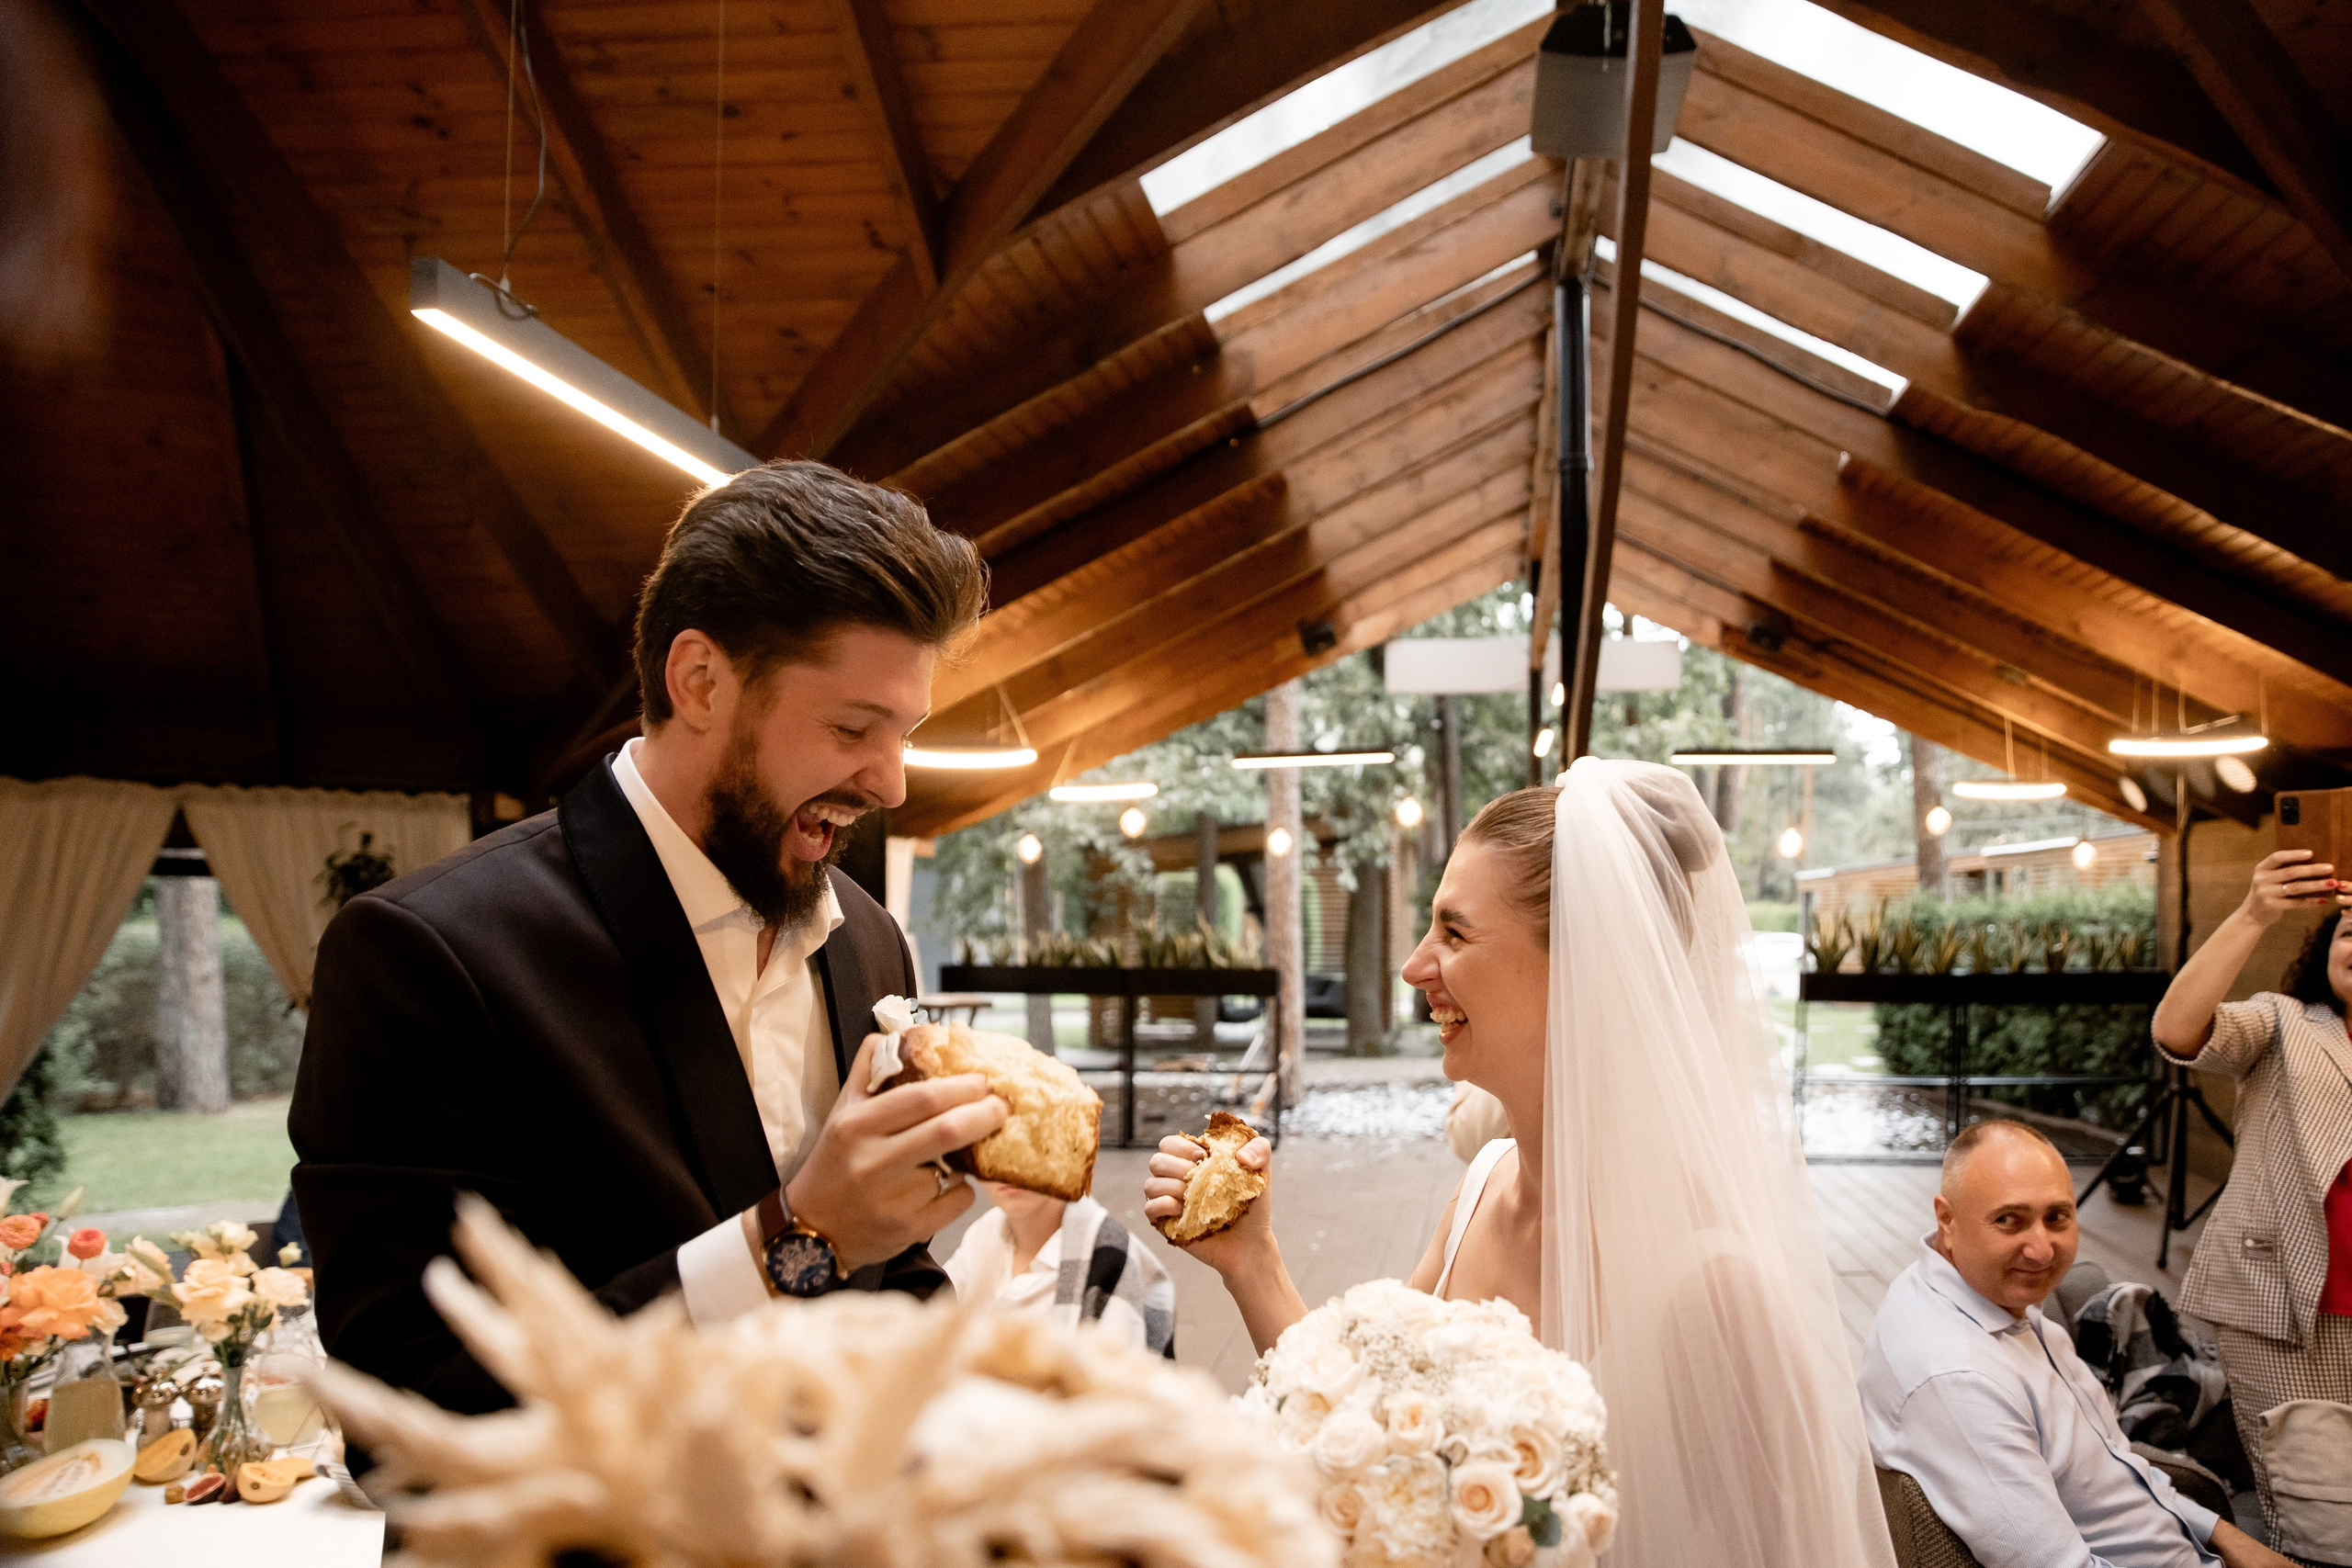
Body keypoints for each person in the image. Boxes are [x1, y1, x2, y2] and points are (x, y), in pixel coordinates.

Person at [290, 461, 1008, 1414]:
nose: (891, 784)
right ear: (701, 681)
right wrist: (793, 1239)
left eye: (905, 734)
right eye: (851, 728)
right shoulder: (428, 956)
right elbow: (408, 1409)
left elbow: (894, 1262)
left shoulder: (869, 940)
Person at [1146, 759, 1895, 1566]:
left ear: (1582, 963)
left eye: (1454, 931)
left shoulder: (1717, 1286)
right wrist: (1251, 1261)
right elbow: (1351, 1425)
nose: (1414, 966)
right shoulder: (1480, 1186)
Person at [1861, 1121, 2290, 1568]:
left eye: (2056, 1217)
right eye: (2009, 1220)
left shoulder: (1991, 1297)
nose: (2042, 1250)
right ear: (1947, 1219)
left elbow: (2116, 1462)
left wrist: (2224, 1535)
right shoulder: (1958, 1379)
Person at [2151, 850, 2352, 1565]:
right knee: (2316, 1509)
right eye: (2351, 929)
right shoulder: (2284, 1024)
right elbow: (2177, 1030)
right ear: (2325, 949)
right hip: (2283, 1310)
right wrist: (2254, 911)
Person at [941, 1181, 1176, 1357]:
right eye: (993, 1137)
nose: (1011, 1163)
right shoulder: (984, 1232)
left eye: (1036, 1137)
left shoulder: (1111, 1258)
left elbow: (1116, 1401)